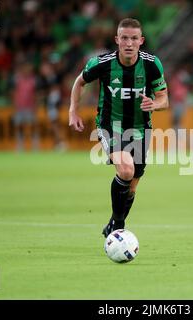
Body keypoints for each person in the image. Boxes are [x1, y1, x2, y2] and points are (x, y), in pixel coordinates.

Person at [68, 18, 169, 237]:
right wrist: (73, 111)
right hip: (109, 126)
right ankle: (119, 228)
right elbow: (80, 82)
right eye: (124, 38)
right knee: (125, 169)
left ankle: (114, 222)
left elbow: (164, 98)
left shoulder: (152, 64)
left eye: (134, 38)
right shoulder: (101, 63)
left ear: (141, 41)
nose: (129, 43)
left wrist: (155, 104)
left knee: (131, 186)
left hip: (141, 129)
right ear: (117, 40)